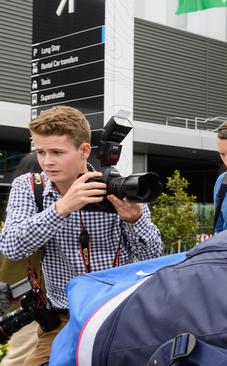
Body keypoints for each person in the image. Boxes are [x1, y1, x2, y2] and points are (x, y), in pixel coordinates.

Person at [0, 106, 163, 365]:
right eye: (41, 152)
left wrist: (135, 221)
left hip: (116, 312)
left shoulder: (114, 187)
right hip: (62, 318)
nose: (47, 161)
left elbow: (152, 257)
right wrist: (62, 208)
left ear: (84, 151)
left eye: (57, 152)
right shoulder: (30, 186)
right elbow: (11, 246)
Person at [0, 152, 42, 366]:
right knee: (19, 360)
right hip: (32, 304)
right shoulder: (35, 220)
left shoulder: (13, 220)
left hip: (18, 301)